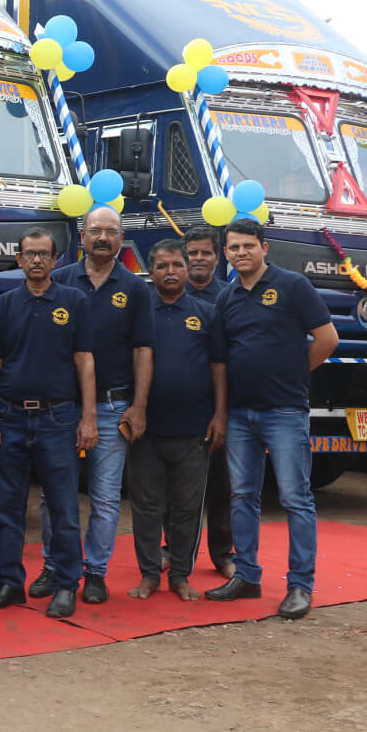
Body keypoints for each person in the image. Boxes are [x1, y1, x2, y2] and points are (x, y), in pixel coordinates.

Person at [205, 218, 336, 620]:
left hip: (284, 412)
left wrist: (293, 374)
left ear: (264, 248)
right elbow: (222, 359)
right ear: (225, 253)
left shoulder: (293, 286)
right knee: (243, 496)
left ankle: (300, 585)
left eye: (248, 245)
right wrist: (223, 412)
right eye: (233, 247)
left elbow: (327, 339)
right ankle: (247, 576)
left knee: (296, 498)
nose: (240, 252)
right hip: (240, 415)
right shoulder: (226, 297)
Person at [0, 228, 96, 619]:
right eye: (29, 254)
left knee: (63, 509)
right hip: (10, 417)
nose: (37, 260)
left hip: (58, 418)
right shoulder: (3, 305)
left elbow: (85, 362)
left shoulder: (75, 301)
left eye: (44, 254)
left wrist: (88, 417)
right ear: (19, 259)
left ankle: (66, 585)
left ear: (55, 259)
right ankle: (10, 582)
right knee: (7, 509)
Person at [44, 205, 153, 604]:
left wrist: (138, 406)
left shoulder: (135, 288)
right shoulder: (58, 280)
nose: (103, 237)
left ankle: (94, 572)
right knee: (54, 494)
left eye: (111, 231)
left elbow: (143, 351)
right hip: (61, 407)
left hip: (112, 408)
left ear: (121, 238)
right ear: (83, 236)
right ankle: (54, 567)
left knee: (105, 497)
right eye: (95, 231)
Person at [128, 240, 227, 601]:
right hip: (145, 429)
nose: (170, 272)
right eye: (162, 266)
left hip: (194, 428)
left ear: (186, 270)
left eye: (176, 265)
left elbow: (219, 366)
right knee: (146, 507)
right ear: (151, 272)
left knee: (188, 507)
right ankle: (149, 574)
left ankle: (181, 575)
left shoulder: (206, 313)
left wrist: (220, 414)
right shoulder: (138, 312)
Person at [183, 224, 232, 576]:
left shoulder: (230, 297)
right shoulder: (166, 293)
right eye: (193, 253)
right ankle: (174, 550)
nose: (198, 259)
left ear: (217, 257)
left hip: (218, 404)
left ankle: (223, 554)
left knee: (221, 486)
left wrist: (222, 411)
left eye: (205, 253)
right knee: (177, 487)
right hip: (177, 406)